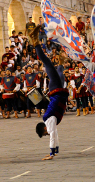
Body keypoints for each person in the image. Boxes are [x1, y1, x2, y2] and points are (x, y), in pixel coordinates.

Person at [31, 25, 69, 160]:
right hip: (58, 93)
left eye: (44, 134)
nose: (47, 134)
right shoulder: (49, 120)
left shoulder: (48, 121)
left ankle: (34, 41)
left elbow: (52, 134)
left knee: (47, 63)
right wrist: (56, 151)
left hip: (55, 91)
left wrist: (51, 154)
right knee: (60, 76)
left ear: (44, 129)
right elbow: (55, 135)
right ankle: (60, 62)